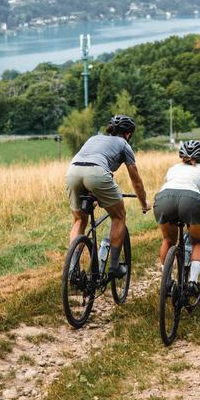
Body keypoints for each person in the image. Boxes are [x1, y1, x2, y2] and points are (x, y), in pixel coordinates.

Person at [66, 114, 148, 280]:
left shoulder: (94, 138)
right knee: (119, 216)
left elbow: (87, 162)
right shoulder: (124, 144)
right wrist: (143, 202)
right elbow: (136, 180)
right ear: (128, 134)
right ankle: (114, 266)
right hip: (97, 173)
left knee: (79, 220)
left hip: (73, 171)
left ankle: (72, 269)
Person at [152, 140, 200, 295]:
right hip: (191, 201)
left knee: (168, 240)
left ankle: (166, 281)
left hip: (163, 199)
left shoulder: (173, 169)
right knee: (199, 241)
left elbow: (171, 187)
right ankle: (192, 283)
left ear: (182, 157)